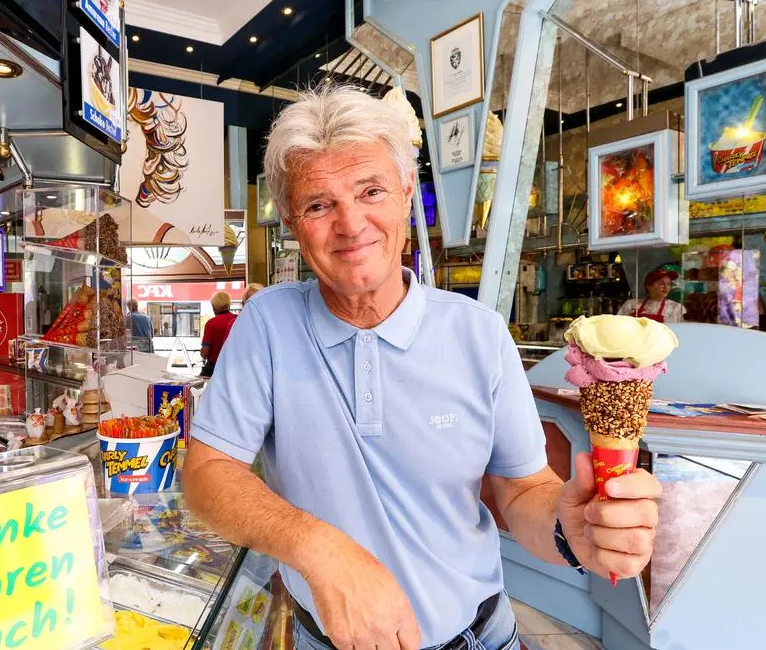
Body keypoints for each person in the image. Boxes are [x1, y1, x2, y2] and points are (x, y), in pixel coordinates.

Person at [181, 87, 662, 650]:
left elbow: (519, 487)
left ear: (406, 194)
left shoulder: (479, 333)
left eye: (371, 191)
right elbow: (207, 472)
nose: (350, 223)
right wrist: (318, 548)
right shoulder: (266, 324)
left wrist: (569, 527)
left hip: (479, 637)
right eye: (319, 204)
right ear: (291, 221)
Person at [617, 267, 686, 323]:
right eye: (661, 283)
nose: (666, 287)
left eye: (669, 284)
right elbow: (618, 326)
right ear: (649, 286)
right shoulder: (631, 304)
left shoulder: (677, 308)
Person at [199, 291, 237, 378]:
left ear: (214, 307)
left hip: (214, 367)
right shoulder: (238, 319)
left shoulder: (211, 323)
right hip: (234, 366)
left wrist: (202, 354)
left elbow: (205, 352)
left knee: (197, 386)